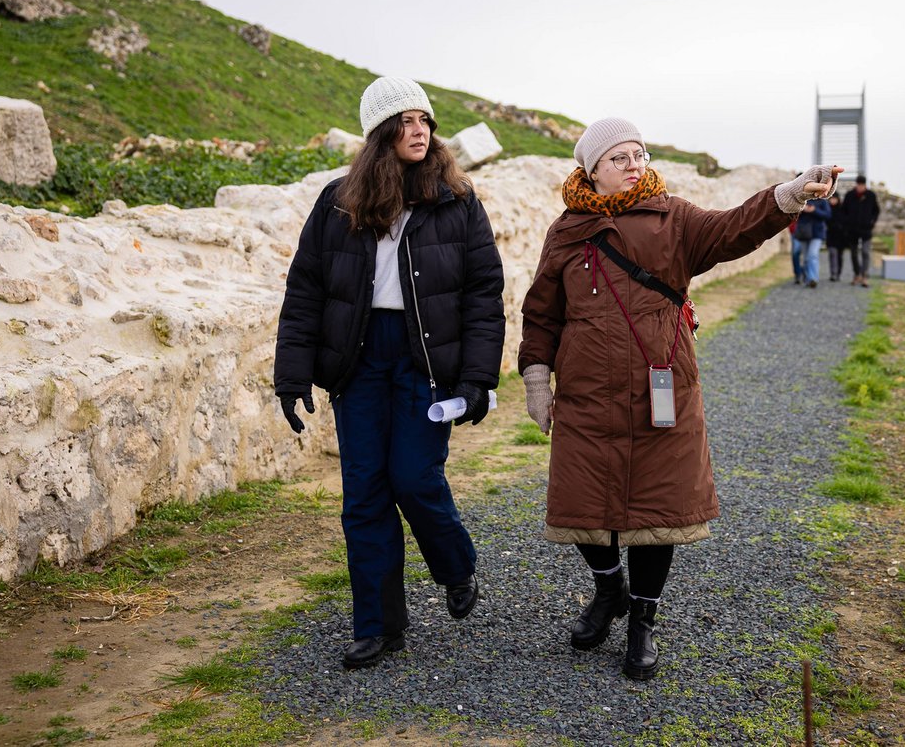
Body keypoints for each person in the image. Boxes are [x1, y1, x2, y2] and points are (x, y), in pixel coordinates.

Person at [518, 117, 839, 681]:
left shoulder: (675, 218)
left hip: (660, 388)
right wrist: (537, 381)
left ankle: (643, 619)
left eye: (639, 153)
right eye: (618, 157)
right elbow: (542, 313)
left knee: (657, 507)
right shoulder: (566, 231)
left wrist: (789, 194)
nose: (634, 164)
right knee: (582, 499)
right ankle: (608, 589)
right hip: (587, 394)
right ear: (591, 169)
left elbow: (735, 228)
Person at [274, 76, 506, 670]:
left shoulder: (457, 200)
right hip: (358, 360)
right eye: (404, 122)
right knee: (365, 494)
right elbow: (305, 290)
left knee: (414, 478)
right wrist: (292, 374)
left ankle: (456, 566)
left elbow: (484, 294)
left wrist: (478, 378)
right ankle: (378, 626)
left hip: (426, 358)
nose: (419, 131)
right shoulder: (337, 201)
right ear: (380, 134)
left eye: (424, 120)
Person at [840, 175, 881, 287]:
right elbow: (843, 210)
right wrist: (847, 223)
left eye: (862, 185)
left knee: (865, 252)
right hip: (852, 230)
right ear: (856, 184)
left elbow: (876, 210)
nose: (860, 187)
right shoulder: (850, 195)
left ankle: (865, 275)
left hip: (866, 230)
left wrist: (872, 222)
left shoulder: (871, 195)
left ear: (865, 185)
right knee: (854, 254)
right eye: (859, 184)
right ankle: (857, 274)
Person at [793, 196, 831, 288]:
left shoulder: (822, 201)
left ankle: (813, 278)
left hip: (817, 233)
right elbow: (793, 214)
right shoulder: (803, 199)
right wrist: (803, 209)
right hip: (803, 233)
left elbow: (828, 215)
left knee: (812, 255)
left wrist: (814, 210)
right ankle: (808, 279)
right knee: (806, 258)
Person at [824, 191, 847, 282]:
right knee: (832, 254)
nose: (833, 201)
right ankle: (833, 273)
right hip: (831, 235)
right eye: (831, 199)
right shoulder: (827, 209)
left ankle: (838, 273)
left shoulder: (842, 210)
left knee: (840, 256)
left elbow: (845, 222)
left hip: (841, 237)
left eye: (834, 199)